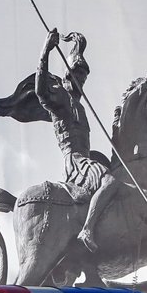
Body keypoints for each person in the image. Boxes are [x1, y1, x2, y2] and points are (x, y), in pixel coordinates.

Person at [33, 28, 115, 253]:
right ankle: (87, 230)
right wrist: (46, 51)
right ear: (67, 76)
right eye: (77, 76)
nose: (81, 81)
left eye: (84, 78)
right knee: (110, 182)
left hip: (87, 159)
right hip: (76, 162)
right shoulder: (60, 97)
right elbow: (41, 92)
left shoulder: (81, 107)